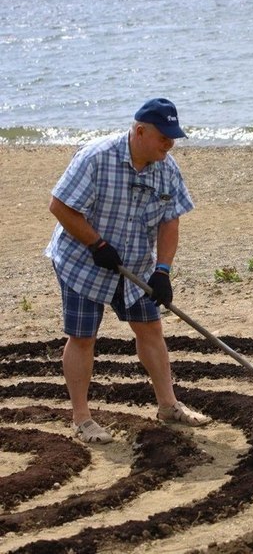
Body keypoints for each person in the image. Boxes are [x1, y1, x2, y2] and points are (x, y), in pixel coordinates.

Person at [45, 98, 210, 443]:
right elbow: (59, 206)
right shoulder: (96, 157)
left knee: (150, 329)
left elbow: (170, 222)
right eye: (164, 137)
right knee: (83, 337)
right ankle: (81, 418)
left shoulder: (167, 169)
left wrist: (163, 270)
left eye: (173, 138)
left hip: (134, 267)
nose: (170, 144)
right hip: (83, 262)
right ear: (140, 131)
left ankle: (168, 405)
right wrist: (96, 244)